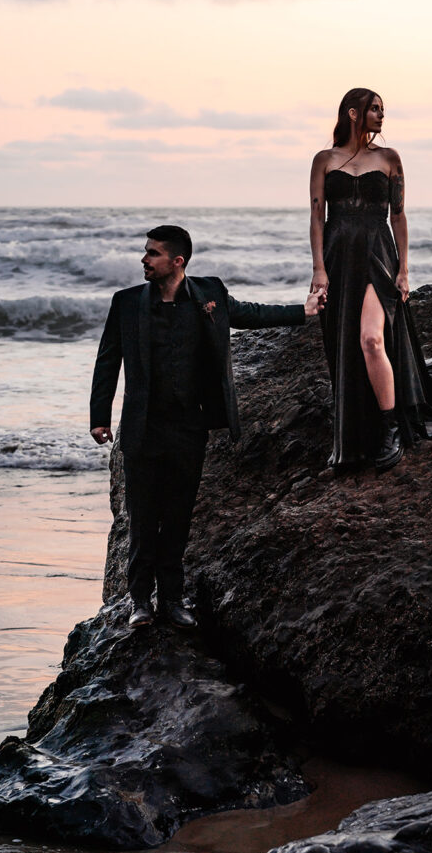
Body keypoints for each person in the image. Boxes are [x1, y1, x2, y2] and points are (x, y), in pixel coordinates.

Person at [90, 224, 325, 630]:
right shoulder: (127, 302)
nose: (144, 259)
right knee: (143, 518)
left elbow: (251, 314)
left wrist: (303, 313)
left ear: (177, 261)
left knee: (179, 517)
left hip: (189, 427)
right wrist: (99, 417)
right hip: (143, 427)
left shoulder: (210, 294)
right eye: (145, 252)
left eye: (152, 253)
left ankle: (174, 600)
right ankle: (141, 602)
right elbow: (108, 359)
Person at [309, 88, 432, 471]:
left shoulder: (390, 158)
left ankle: (389, 428)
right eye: (374, 108)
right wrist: (318, 269)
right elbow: (317, 218)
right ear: (353, 113)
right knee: (348, 346)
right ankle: (360, 430)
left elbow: (399, 216)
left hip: (379, 253)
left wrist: (404, 269)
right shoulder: (324, 160)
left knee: (372, 340)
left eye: (382, 109)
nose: (380, 115)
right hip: (339, 257)